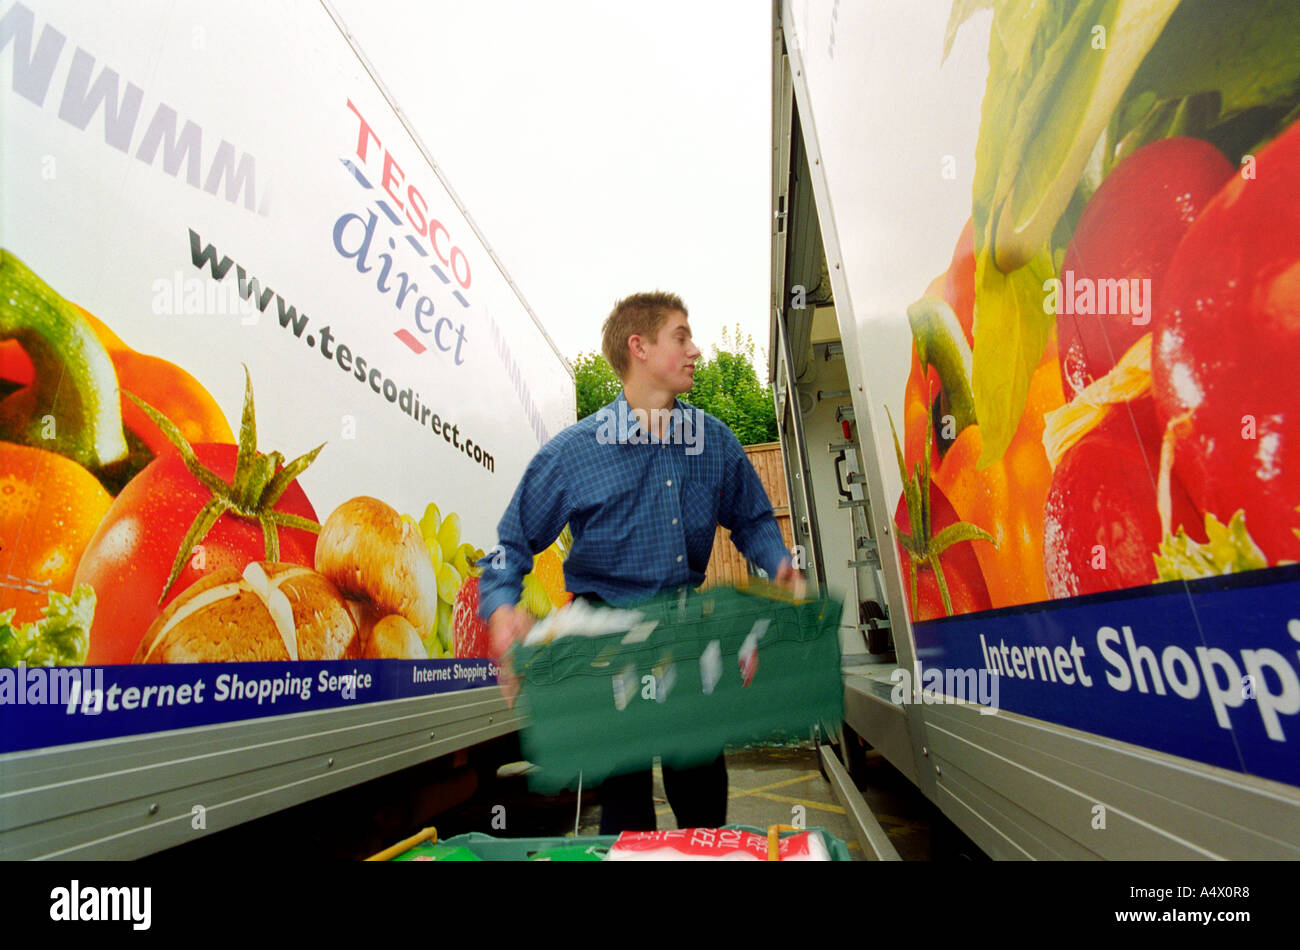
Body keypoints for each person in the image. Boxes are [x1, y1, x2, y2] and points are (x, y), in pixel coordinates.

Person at [478, 290, 801, 833]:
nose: (695, 349)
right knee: (625, 811)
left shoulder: (714, 443)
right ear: (640, 347)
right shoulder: (574, 453)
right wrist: (501, 608)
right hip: (604, 644)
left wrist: (778, 562)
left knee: (703, 796)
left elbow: (753, 521)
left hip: (685, 634)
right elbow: (511, 545)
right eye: (681, 336)